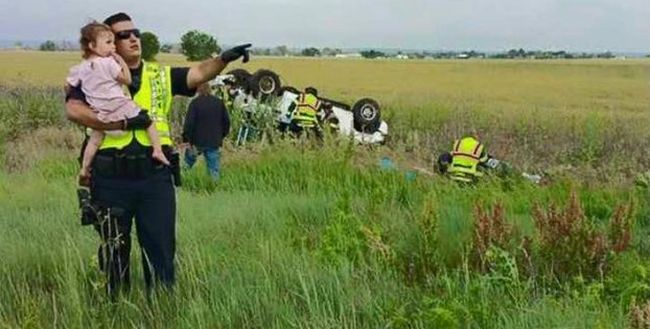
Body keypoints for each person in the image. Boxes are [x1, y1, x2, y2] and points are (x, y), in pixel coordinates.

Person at [65, 12, 251, 296]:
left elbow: (199, 73)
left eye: (135, 32)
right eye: (123, 35)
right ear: (108, 43)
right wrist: (121, 123)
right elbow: (74, 110)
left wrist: (224, 58)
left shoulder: (160, 74)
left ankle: (161, 309)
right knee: (114, 250)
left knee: (161, 249)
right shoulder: (92, 72)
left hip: (155, 176)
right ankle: (114, 308)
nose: (133, 38)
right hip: (111, 177)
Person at [67, 22, 169, 187]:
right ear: (93, 45)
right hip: (119, 106)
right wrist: (120, 61)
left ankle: (85, 168)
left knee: (94, 139)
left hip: (100, 112)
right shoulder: (108, 63)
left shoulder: (80, 68)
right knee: (148, 121)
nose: (113, 46)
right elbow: (127, 80)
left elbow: (68, 86)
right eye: (108, 43)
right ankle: (157, 151)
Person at [181, 82, 230, 180]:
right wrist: (221, 136)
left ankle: (180, 182)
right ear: (210, 89)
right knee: (213, 170)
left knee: (187, 165)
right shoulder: (219, 103)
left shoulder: (195, 103)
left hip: (196, 141)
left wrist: (186, 139)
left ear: (198, 90)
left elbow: (189, 123)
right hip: (214, 141)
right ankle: (213, 189)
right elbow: (227, 122)